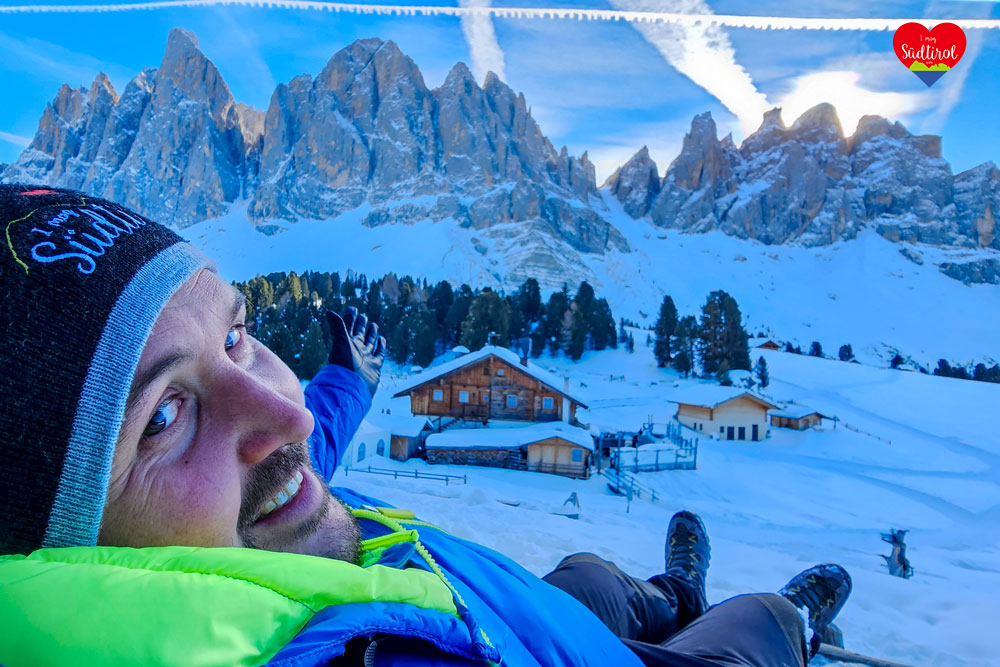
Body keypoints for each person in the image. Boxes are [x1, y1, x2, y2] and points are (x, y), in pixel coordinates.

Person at [0, 185, 852, 667]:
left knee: (592, 572)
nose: (284, 410)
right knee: (754, 630)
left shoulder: (237, 516)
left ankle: (671, 594)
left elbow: (303, 445)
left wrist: (349, 382)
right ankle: (794, 623)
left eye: (237, 335)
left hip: (487, 610)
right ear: (54, 545)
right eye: (164, 417)